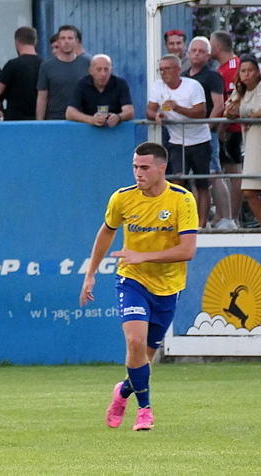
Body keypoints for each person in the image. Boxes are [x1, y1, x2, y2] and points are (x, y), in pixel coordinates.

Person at [80, 141, 198, 432]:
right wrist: (90, 274)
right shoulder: (122, 198)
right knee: (134, 342)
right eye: (135, 167)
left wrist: (143, 255)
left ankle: (122, 393)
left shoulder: (182, 200)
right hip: (131, 280)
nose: (138, 173)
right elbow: (106, 232)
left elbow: (187, 250)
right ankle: (145, 410)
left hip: (168, 286)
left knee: (144, 359)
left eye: (144, 167)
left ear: (161, 168)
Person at [147, 54, 211, 228]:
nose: (163, 73)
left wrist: (177, 108)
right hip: (176, 141)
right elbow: (149, 110)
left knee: (202, 183)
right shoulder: (157, 86)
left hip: (199, 141)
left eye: (167, 69)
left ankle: (202, 225)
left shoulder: (193, 86)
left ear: (178, 70)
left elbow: (201, 112)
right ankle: (175, 222)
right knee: (176, 181)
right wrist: (156, 115)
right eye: (161, 70)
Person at [184, 36, 236, 230]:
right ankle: (200, 220)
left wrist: (207, 126)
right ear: (188, 53)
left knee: (214, 173)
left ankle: (228, 218)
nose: (197, 54)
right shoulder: (183, 76)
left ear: (208, 55)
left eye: (201, 51)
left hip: (207, 135)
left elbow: (219, 105)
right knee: (194, 178)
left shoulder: (212, 76)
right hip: (187, 135)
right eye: (194, 50)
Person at [212, 31, 244, 225]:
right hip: (227, 127)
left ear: (217, 47)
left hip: (232, 128)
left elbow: (233, 101)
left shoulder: (232, 67)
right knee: (221, 170)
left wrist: (223, 126)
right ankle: (223, 215)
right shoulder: (223, 68)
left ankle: (232, 217)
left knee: (233, 170)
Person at [226, 55, 261, 227]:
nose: (247, 74)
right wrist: (231, 112)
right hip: (251, 143)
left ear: (258, 72)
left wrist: (252, 117)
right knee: (249, 190)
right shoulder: (240, 90)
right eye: (243, 71)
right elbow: (229, 112)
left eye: (250, 70)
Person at [36, 25, 91, 120]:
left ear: (76, 41)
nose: (66, 41)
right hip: (55, 120)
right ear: (58, 42)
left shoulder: (88, 64)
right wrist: (39, 123)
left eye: (70, 38)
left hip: (82, 120)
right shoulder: (46, 66)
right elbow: (42, 97)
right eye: (63, 38)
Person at [65, 54, 134, 127]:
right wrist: (91, 120)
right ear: (91, 71)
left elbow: (129, 112)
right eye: (99, 70)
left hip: (114, 129)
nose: (103, 74)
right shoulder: (82, 84)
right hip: (89, 130)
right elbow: (70, 113)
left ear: (111, 70)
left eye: (106, 70)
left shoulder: (120, 84)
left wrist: (118, 117)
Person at [0, 26, 42, 121]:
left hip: (14, 121)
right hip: (39, 120)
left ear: (17, 42)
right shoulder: (45, 65)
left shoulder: (12, 65)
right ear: (35, 41)